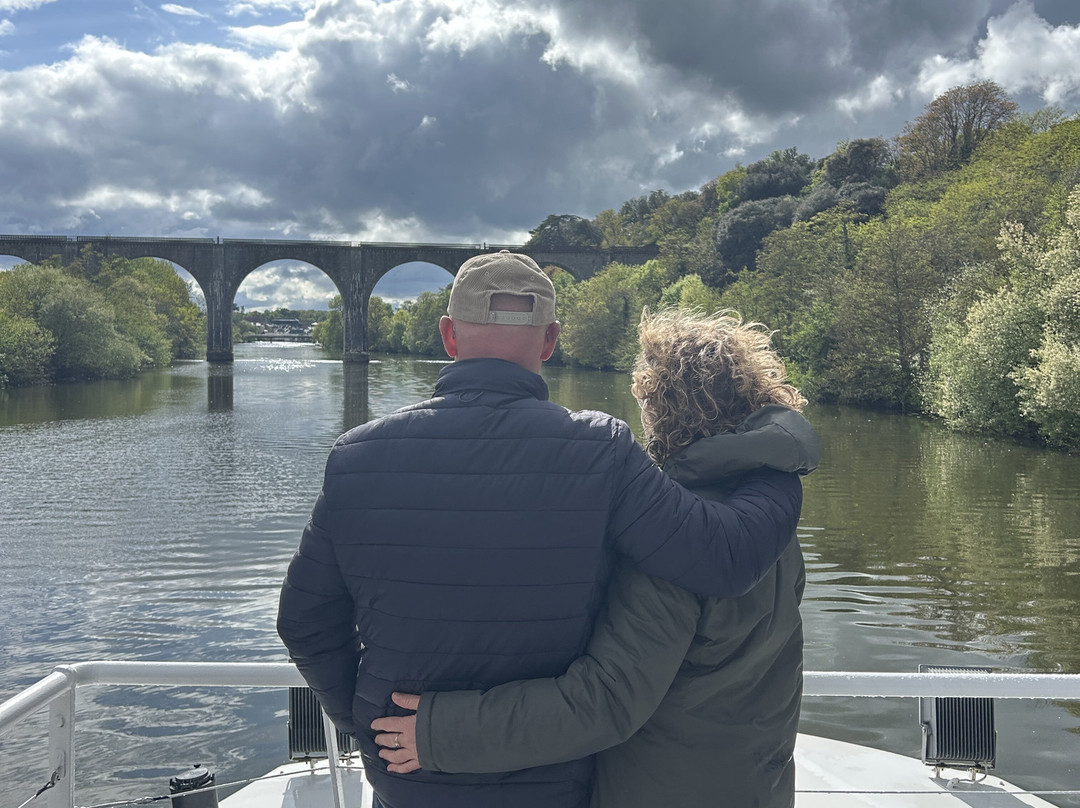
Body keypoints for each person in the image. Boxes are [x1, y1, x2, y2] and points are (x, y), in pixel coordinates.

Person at [277, 253, 804, 808]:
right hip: (550, 778)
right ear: (550, 340)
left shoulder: (356, 457)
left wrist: (369, 723)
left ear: (449, 336)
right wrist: (781, 462)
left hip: (408, 774)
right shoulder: (601, 450)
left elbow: (304, 621)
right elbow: (723, 558)